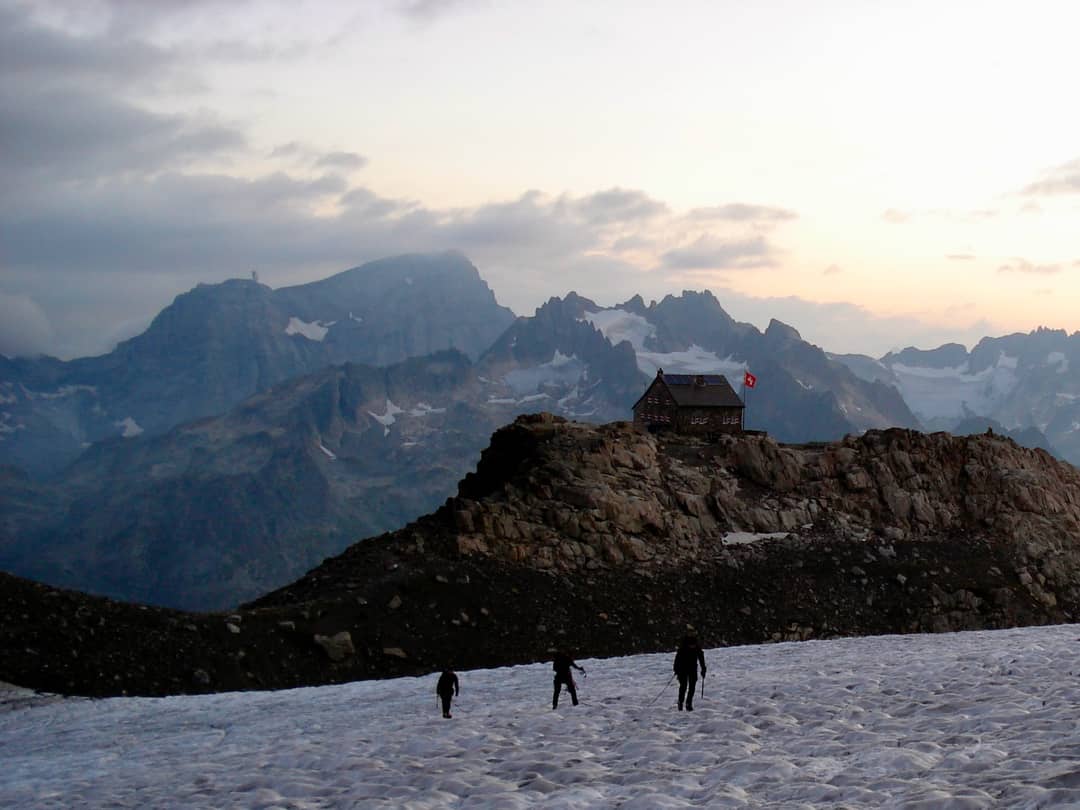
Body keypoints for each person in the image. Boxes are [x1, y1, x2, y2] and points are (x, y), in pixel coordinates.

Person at [673, 635, 706, 711]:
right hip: (682, 669)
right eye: (692, 645)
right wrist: (676, 670)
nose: (693, 646)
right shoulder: (682, 649)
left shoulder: (697, 648)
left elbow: (701, 658)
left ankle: (689, 703)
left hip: (693, 669)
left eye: (694, 645)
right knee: (683, 686)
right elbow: (677, 660)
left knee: (692, 687)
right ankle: (680, 702)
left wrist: (703, 669)